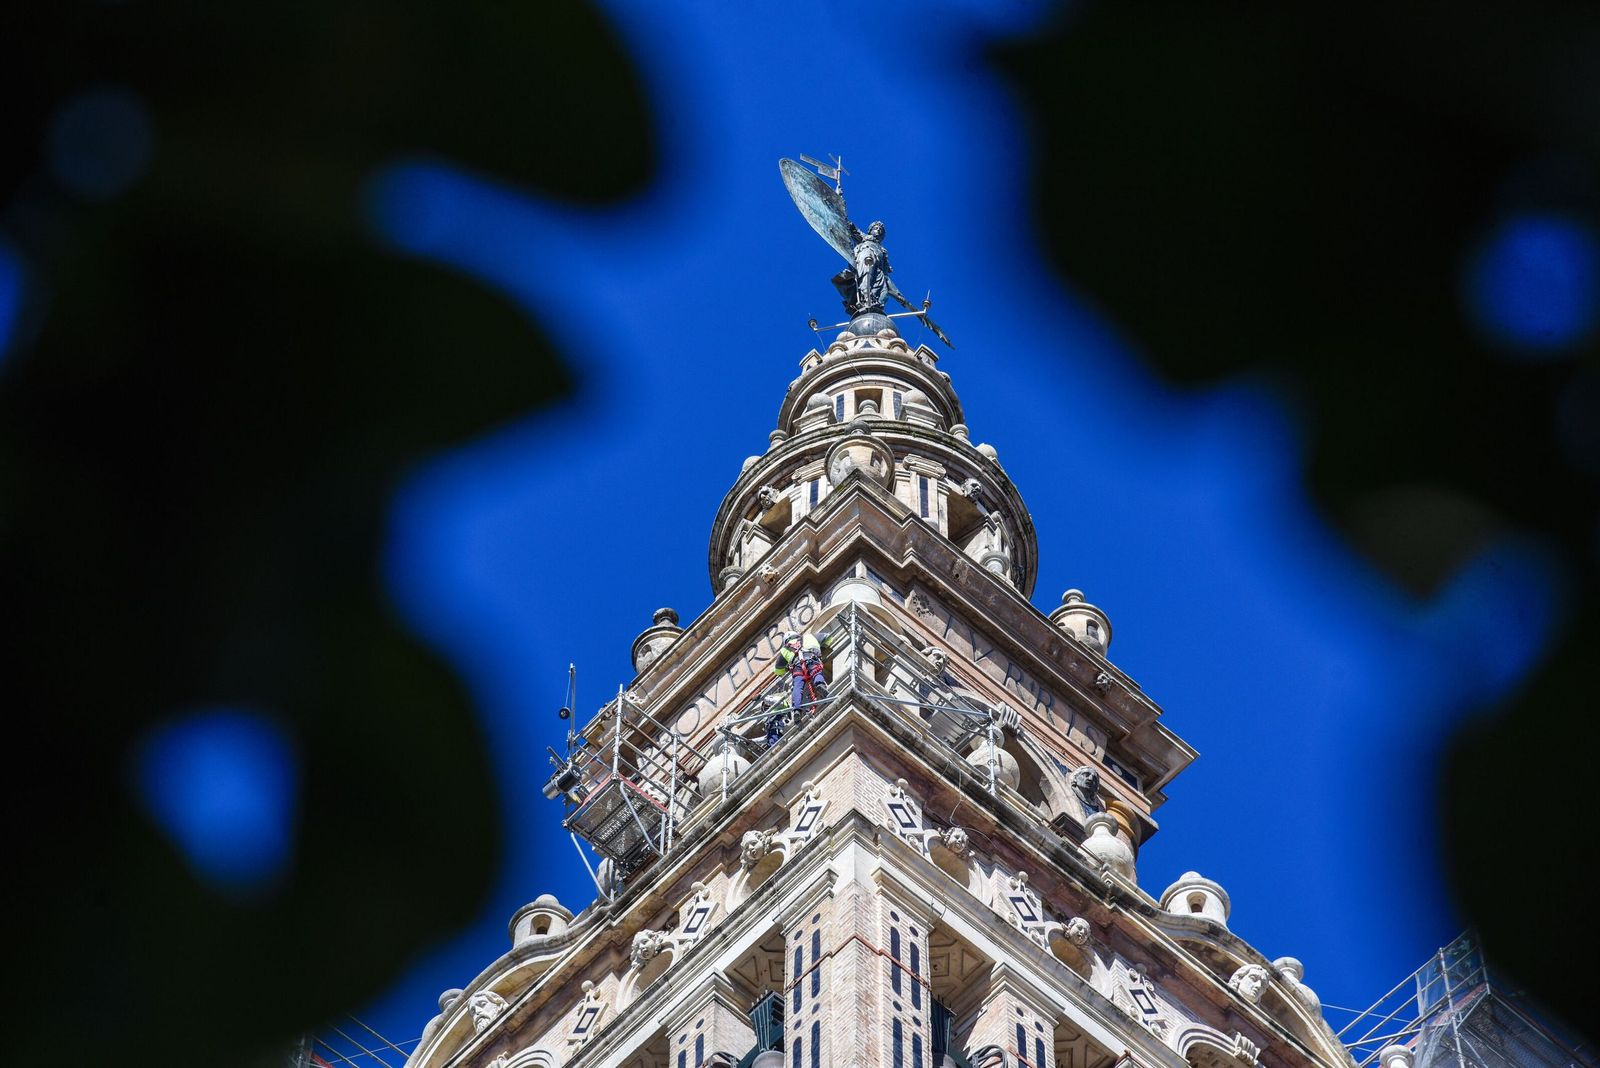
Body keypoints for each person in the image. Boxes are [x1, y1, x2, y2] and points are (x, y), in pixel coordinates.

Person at [767, 631, 828, 746]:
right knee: (816, 672)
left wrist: (786, 669)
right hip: (811, 658)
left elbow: (778, 670)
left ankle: (796, 709)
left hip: (797, 667)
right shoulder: (810, 636)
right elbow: (827, 637)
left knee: (797, 687)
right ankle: (820, 685)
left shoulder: (785, 649)